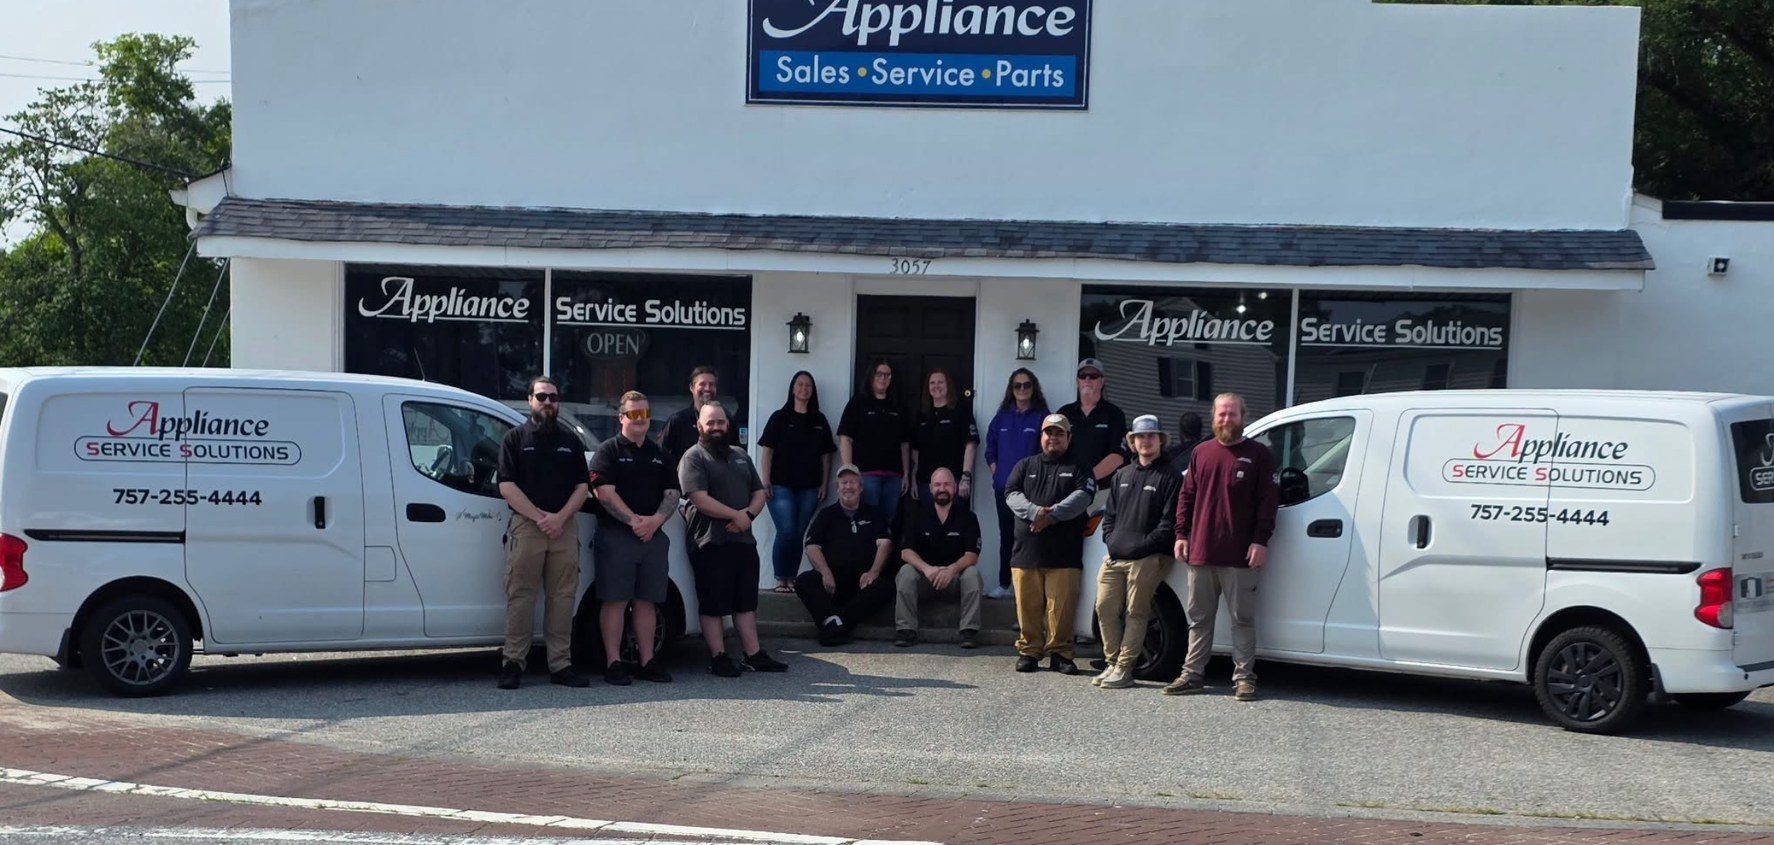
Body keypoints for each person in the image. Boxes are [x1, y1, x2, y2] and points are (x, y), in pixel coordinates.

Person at [1168, 392, 1279, 701]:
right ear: (1213, 417)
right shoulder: (1200, 452)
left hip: (1241, 555)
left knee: (1241, 619)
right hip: (1201, 552)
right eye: (1222, 414)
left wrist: (1260, 540)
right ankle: (1192, 675)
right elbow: (1186, 496)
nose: (1227, 419)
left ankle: (1244, 679)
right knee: (1199, 619)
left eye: (1232, 414)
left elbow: (1268, 503)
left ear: (1243, 416)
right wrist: (1181, 534)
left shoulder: (1259, 454)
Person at [678, 400, 790, 677]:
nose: (716, 427)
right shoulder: (693, 457)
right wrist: (736, 515)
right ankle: (718, 657)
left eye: (721, 422)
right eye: (710, 423)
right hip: (710, 541)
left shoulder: (741, 455)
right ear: (699, 426)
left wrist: (748, 516)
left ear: (728, 425)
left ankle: (753, 655)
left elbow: (759, 491)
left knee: (745, 601)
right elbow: (698, 498)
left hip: (743, 541)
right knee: (713, 604)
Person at [494, 376, 591, 690]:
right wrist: (540, 518)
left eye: (553, 397)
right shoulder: (514, 439)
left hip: (564, 528)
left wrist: (559, 518)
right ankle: (512, 664)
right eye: (541, 396)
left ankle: (561, 665)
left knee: (562, 598)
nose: (548, 402)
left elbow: (582, 487)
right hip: (527, 527)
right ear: (530, 400)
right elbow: (506, 485)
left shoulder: (570, 440)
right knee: (520, 596)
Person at [587, 390, 678, 686]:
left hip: (652, 537)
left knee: (647, 602)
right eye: (634, 414)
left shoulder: (660, 454)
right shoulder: (608, 451)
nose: (641, 419)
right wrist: (634, 521)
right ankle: (613, 662)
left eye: (645, 413)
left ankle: (647, 661)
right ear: (621, 417)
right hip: (617, 537)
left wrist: (654, 522)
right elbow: (603, 493)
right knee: (615, 600)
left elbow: (672, 493)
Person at [1092, 415, 1183, 690]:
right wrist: (1111, 540)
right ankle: (1112, 663)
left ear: (1160, 440)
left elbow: (1168, 525)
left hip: (1151, 557)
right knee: (1104, 608)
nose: (1145, 441)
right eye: (1140, 436)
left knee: (1137, 611)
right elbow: (1110, 516)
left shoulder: (1171, 476)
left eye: (1151, 436)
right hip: (1116, 557)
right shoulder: (1122, 474)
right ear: (1132, 441)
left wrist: (1139, 548)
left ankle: (1125, 668)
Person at [1004, 414, 1096, 674]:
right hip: (1026, 553)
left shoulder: (1080, 467)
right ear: (1041, 436)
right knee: (1028, 608)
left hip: (1064, 553)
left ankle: (1060, 654)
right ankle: (1029, 652)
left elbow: (1083, 496)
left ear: (1068, 437)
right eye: (1049, 432)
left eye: (1059, 433)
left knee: (1061, 609)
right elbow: (1011, 494)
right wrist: (1035, 512)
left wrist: (1051, 515)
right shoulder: (1025, 465)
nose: (1053, 437)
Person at [795, 463, 896, 646]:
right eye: (844, 483)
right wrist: (825, 572)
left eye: (853, 482)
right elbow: (811, 546)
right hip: (832, 583)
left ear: (861, 487)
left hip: (863, 583)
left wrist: (873, 572)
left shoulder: (874, 513)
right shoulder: (826, 515)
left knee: (886, 586)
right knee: (803, 581)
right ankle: (838, 624)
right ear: (837, 487)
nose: (848, 486)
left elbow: (885, 543)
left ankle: (835, 623)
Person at [759, 371, 836, 593]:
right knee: (787, 531)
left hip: (810, 488)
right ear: (793, 389)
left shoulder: (819, 420)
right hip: (780, 485)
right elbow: (767, 451)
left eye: (808, 385)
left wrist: (825, 484)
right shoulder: (779, 418)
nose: (804, 389)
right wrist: (765, 480)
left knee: (799, 532)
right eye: (800, 384)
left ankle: (791, 579)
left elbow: (826, 456)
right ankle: (780, 579)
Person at [894, 468, 984, 649]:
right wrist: (927, 568)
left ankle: (969, 631)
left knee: (972, 574)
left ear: (955, 487)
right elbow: (906, 552)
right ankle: (906, 630)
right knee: (905, 571)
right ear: (930, 488)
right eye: (937, 485)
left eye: (946, 484)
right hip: (925, 580)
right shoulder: (917, 514)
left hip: (954, 582)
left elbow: (972, 556)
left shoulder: (968, 517)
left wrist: (950, 571)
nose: (942, 489)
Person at [983, 368, 1047, 600]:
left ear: (1033, 387)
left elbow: (1046, 452)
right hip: (1004, 489)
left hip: (1031, 491)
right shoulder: (1002, 417)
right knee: (1007, 536)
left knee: (1030, 537)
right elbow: (990, 449)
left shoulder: (1042, 416)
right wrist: (998, 473)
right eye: (1017, 385)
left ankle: (1028, 590)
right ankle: (1004, 584)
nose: (1022, 389)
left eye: (1026, 385)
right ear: (1011, 389)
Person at [838, 358, 910, 530]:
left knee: (888, 521)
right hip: (866, 475)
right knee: (866, 521)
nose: (883, 378)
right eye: (879, 374)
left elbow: (904, 443)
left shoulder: (897, 406)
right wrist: (849, 471)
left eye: (887, 375)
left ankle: (882, 549)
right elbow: (845, 438)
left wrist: (906, 474)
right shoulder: (857, 403)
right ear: (871, 376)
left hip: (893, 476)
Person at [1057, 358, 1129, 493]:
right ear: (1077, 381)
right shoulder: (1064, 413)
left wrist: (1087, 478)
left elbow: (1117, 456)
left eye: (1093, 376)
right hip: (1066, 487)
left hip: (1102, 488)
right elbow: (1055, 450)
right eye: (1083, 376)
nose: (1087, 380)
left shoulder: (1114, 414)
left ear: (1102, 381)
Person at [911, 367, 979, 506]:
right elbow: (915, 449)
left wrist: (965, 477)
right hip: (926, 483)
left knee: (954, 519)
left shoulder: (961, 412)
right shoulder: (922, 415)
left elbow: (971, 444)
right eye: (932, 383)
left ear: (948, 386)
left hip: (953, 482)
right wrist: (913, 479)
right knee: (928, 519)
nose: (936, 386)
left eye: (940, 382)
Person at [660, 366, 719, 470]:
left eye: (712, 384)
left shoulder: (726, 421)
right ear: (691, 387)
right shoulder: (678, 421)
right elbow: (660, 453)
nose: (707, 388)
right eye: (702, 384)